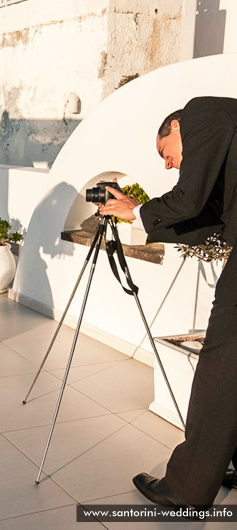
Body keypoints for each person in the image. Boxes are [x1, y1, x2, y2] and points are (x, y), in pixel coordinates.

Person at [100, 96, 237, 509]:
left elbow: (189, 198)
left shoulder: (201, 113)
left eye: (166, 154)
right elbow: (207, 219)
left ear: (175, 127)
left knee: (221, 368)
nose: (168, 164)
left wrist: (137, 210)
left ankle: (187, 489)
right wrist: (139, 218)